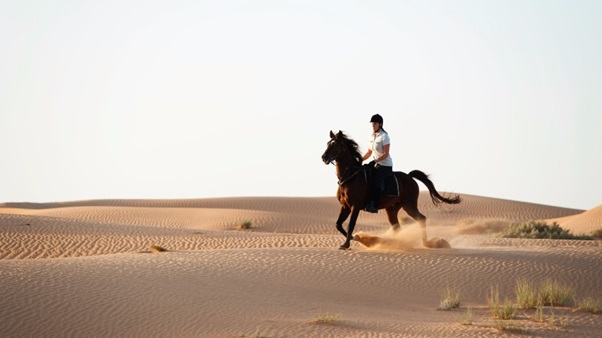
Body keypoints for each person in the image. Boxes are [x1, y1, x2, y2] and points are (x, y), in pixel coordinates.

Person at [361, 114, 393, 213]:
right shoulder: (371, 137)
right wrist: (360, 160)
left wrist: (375, 161)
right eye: (372, 123)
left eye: (375, 123)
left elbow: (386, 154)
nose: (373, 125)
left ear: (380, 124)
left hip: (385, 165)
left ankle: (374, 205)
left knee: (376, 181)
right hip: (375, 164)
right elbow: (369, 152)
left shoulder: (384, 136)